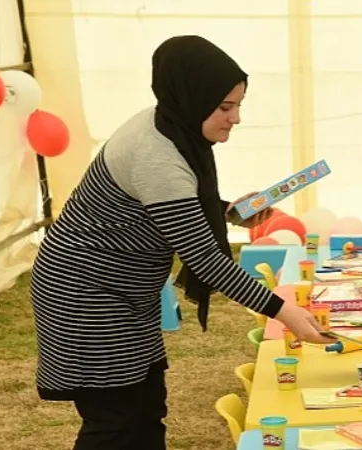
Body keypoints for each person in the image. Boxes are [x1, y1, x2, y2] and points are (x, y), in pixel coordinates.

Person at [29, 35, 334, 450]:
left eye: (239, 105)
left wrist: (227, 210)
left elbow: (173, 211)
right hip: (87, 295)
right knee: (115, 420)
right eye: (226, 107)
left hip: (124, 292)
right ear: (192, 97)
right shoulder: (157, 156)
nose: (236, 118)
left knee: (148, 408)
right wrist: (283, 312)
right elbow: (205, 259)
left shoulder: (171, 126)